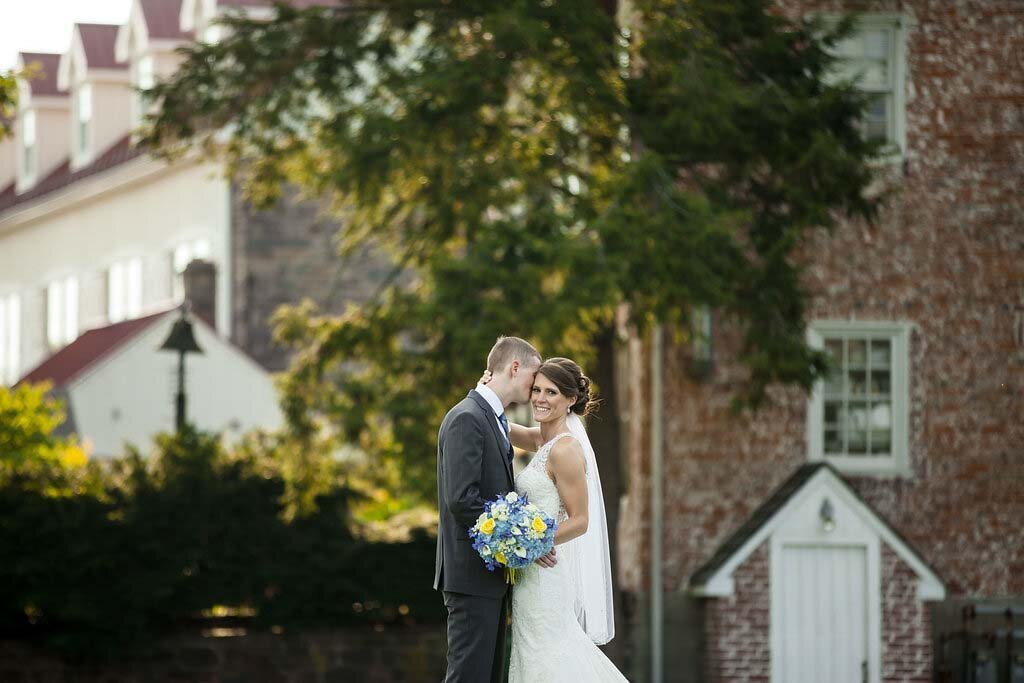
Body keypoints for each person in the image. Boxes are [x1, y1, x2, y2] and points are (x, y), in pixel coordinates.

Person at [483, 357, 627, 682]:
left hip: (545, 575)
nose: (540, 399)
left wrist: (534, 544)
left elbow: (581, 520)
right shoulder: (541, 440)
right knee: (532, 655)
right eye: (536, 390)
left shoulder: (564, 450)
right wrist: (486, 390)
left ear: (570, 400)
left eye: (551, 393)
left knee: (549, 657)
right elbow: (495, 423)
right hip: (527, 575)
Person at [434, 336, 555, 683]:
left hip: (488, 576)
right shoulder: (467, 418)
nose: (535, 387)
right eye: (534, 376)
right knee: (468, 676)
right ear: (515, 368)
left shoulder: (493, 418)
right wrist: (525, 538)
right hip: (471, 575)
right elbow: (462, 499)